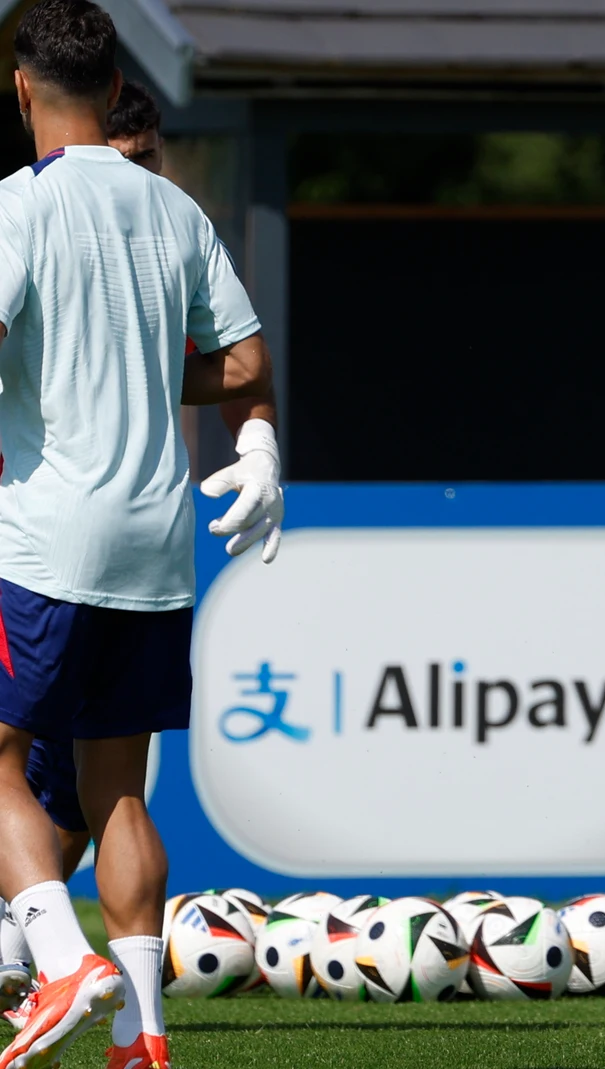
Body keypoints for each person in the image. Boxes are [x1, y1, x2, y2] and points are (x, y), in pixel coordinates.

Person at [0, 3, 284, 1067]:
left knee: (2, 758)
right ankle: (144, 1033)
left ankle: (61, 961)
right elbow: (249, 369)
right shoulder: (175, 212)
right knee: (118, 785)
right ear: (117, 84)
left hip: (46, 538)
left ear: (22, 90)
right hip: (158, 542)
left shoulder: (16, 208)